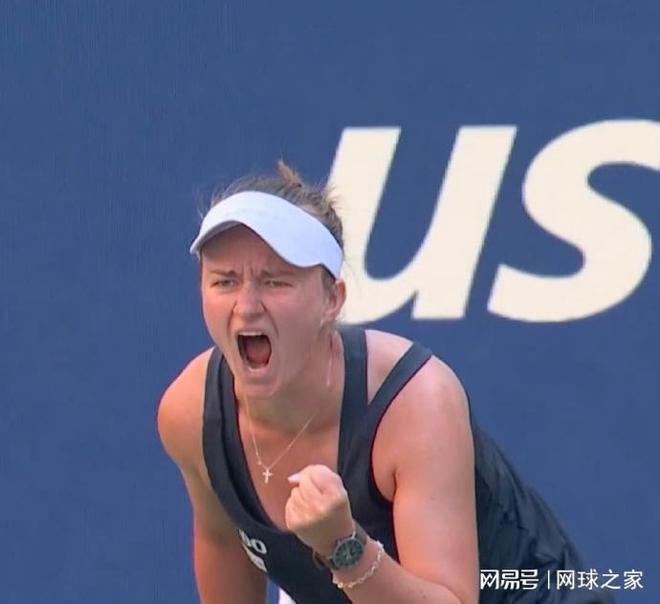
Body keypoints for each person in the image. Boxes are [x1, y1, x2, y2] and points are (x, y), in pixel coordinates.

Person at [158, 163, 614, 603]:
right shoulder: (189, 413)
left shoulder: (416, 404)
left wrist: (343, 545)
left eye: (275, 282)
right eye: (224, 281)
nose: (246, 306)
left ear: (332, 300)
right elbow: (222, 540)